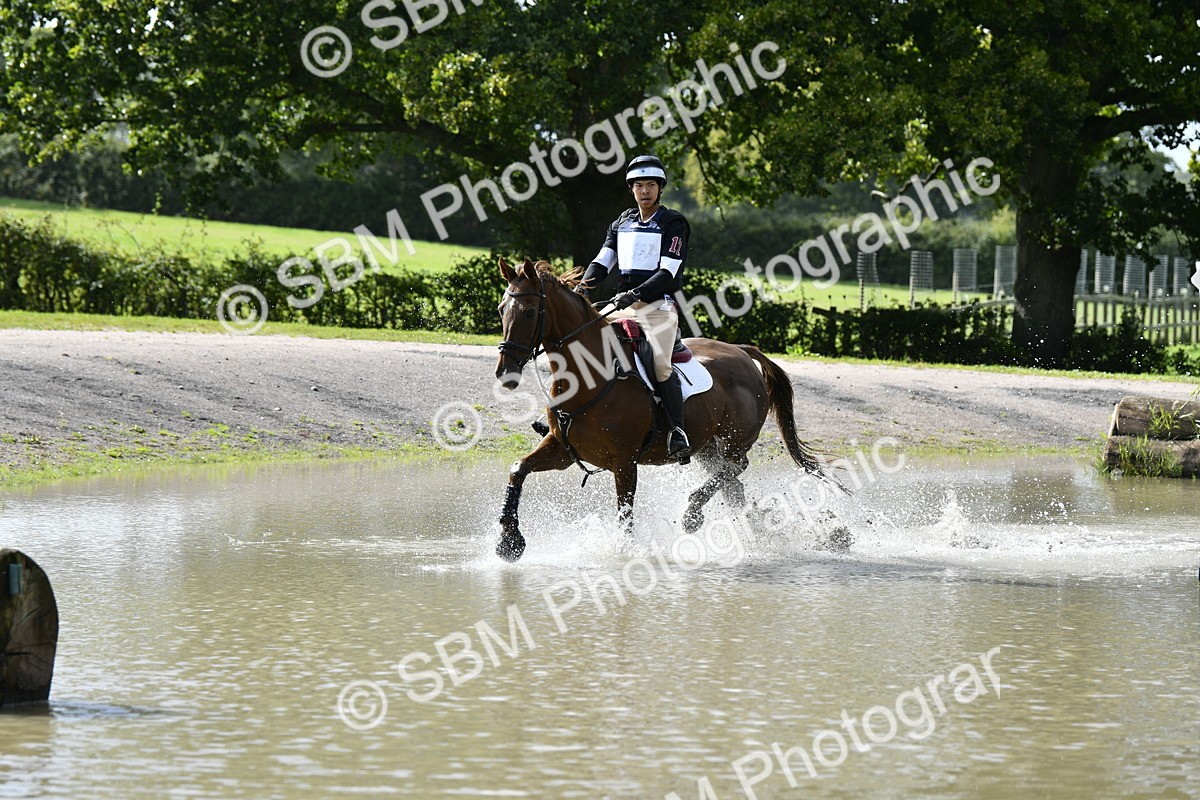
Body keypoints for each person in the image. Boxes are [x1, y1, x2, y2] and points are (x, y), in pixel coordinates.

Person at [576, 154, 692, 461]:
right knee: (578, 339)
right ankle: (565, 409)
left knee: (660, 364)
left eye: (651, 185)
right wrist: (581, 288)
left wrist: (634, 294)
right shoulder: (621, 223)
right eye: (639, 185)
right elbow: (602, 262)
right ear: (631, 188)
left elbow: (667, 272)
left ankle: (678, 432)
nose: (645, 191)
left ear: (660, 188)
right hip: (620, 305)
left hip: (657, 307)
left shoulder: (674, 223)